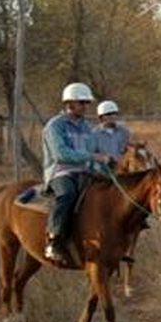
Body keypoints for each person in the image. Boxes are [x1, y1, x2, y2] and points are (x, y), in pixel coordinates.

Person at [41, 82, 115, 264]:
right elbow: (61, 154)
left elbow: (92, 154)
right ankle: (54, 241)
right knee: (67, 194)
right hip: (60, 172)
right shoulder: (55, 126)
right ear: (69, 103)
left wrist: (108, 171)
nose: (85, 106)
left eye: (87, 103)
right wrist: (92, 157)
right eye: (81, 102)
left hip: (84, 171)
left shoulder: (87, 127)